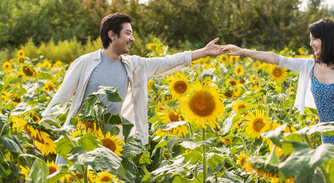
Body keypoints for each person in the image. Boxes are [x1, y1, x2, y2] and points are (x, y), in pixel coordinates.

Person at [223, 18, 334, 183]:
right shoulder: (308, 67)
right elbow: (274, 58)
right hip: (328, 140)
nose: (311, 43)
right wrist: (243, 51)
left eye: (315, 39)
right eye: (311, 39)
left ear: (327, 39)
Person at [42, 13, 224, 163]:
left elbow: (168, 61)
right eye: (128, 33)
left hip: (110, 145)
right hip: (77, 141)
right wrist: (43, 129)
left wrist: (204, 52)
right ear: (112, 35)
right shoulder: (85, 63)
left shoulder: (134, 65)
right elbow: (61, 98)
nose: (132, 39)